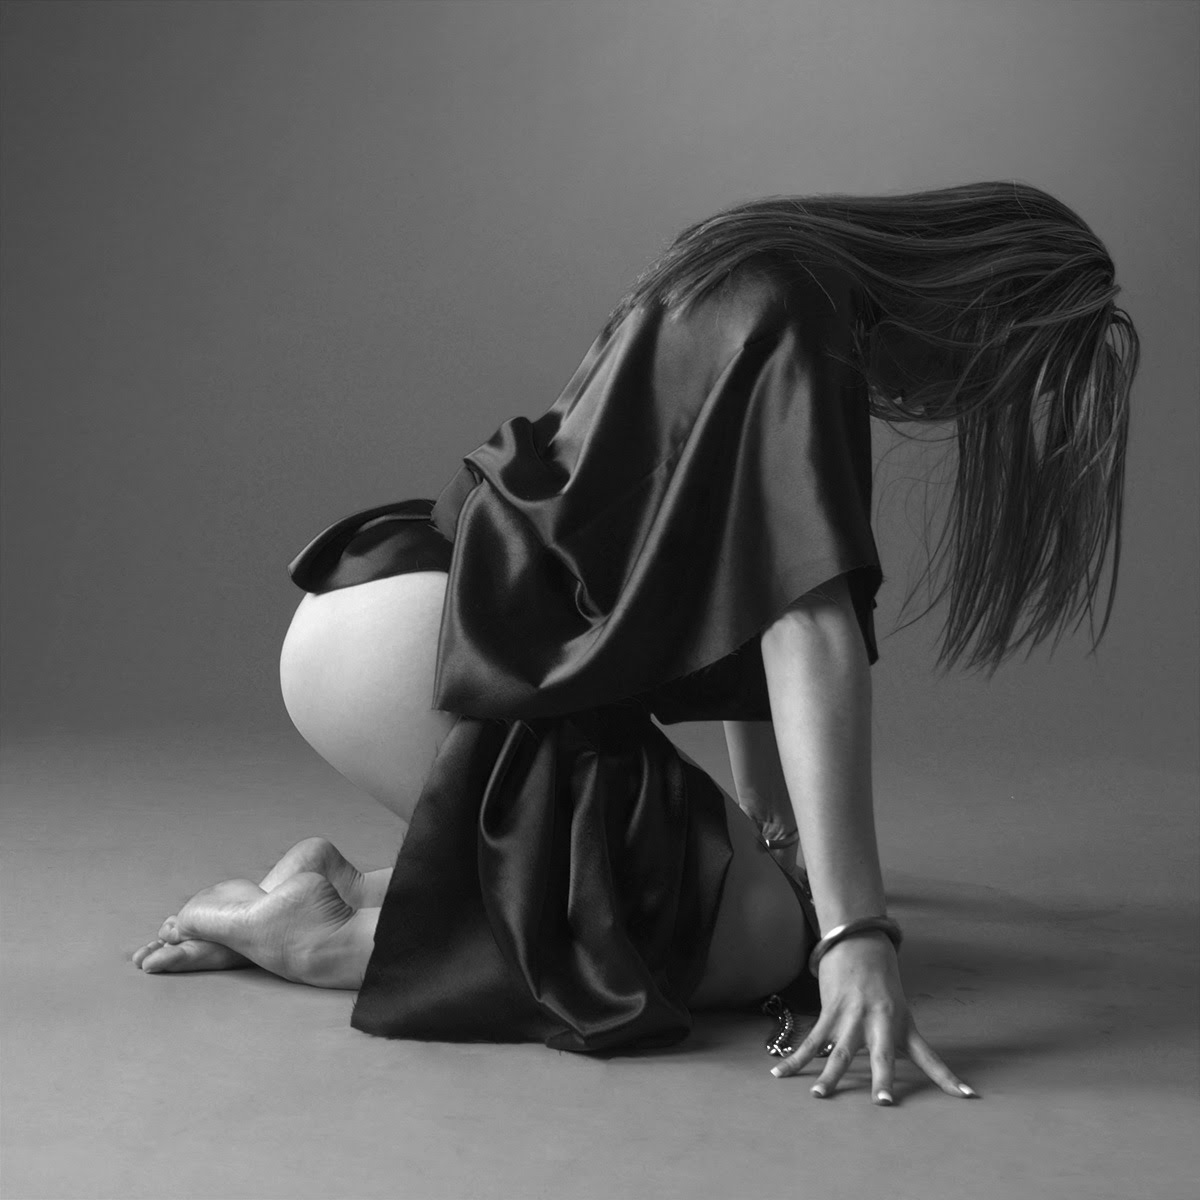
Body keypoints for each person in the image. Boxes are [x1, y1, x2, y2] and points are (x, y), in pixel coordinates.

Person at [132, 181, 1139, 1105]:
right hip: (445, 656)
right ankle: (325, 942)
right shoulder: (803, 319)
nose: (964, 400)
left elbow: (747, 599)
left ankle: (348, 890)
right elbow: (804, 623)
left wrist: (771, 830)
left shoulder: (764, 272)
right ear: (979, 304)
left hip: (397, 612)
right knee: (766, 937)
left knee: (731, 889)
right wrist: (853, 933)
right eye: (999, 372)